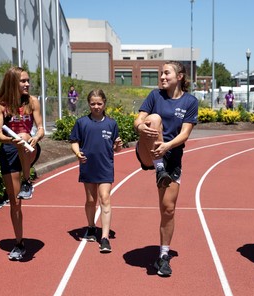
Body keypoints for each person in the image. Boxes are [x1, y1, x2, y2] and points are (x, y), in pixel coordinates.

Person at [134, 61, 198, 277]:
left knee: (168, 210)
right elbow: (139, 120)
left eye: (166, 73)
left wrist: (168, 146)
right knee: (154, 118)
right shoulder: (155, 96)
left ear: (179, 76)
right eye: (161, 73)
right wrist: (141, 126)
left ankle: (163, 255)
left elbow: (185, 134)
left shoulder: (190, 101)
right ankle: (159, 167)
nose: (161, 77)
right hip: (148, 153)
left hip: (172, 155)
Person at [0, 66, 44, 261]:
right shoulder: (0, 106)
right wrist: (10, 140)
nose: (27, 84)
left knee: (23, 134)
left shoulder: (32, 102)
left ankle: (27, 181)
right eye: (23, 81)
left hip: (30, 147)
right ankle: (19, 243)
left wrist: (36, 137)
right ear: (13, 82)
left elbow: (40, 128)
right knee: (15, 203)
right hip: (9, 149)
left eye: (28, 80)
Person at [69, 89, 123, 253]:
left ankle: (105, 237)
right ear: (89, 104)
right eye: (93, 103)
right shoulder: (82, 123)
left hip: (105, 166)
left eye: (99, 103)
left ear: (104, 103)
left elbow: (116, 147)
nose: (96, 106)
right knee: (91, 200)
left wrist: (118, 146)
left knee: (105, 198)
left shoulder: (111, 124)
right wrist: (77, 153)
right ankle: (91, 227)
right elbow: (74, 141)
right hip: (88, 166)